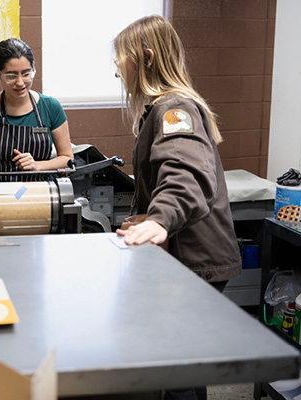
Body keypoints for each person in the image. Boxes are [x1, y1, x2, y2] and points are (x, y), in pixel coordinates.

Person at [113, 15, 241, 400]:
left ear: (146, 58)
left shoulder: (175, 108)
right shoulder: (159, 108)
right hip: (186, 254)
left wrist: (161, 219)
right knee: (182, 362)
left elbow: (185, 174)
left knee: (177, 369)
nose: (116, 68)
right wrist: (147, 215)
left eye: (121, 58)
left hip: (196, 260)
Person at [0, 38, 73, 181]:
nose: (20, 83)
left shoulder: (50, 106)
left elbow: (67, 160)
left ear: (34, 69)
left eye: (26, 74)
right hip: (1, 194)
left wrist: (37, 166)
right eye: (11, 76)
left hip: (42, 193)